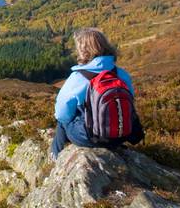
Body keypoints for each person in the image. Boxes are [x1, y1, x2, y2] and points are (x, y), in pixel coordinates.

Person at [50, 28, 140, 160]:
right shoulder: (121, 74)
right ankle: (112, 143)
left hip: (92, 137)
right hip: (122, 134)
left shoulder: (79, 77)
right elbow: (130, 102)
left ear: (83, 50)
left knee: (62, 121)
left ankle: (55, 156)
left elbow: (62, 113)